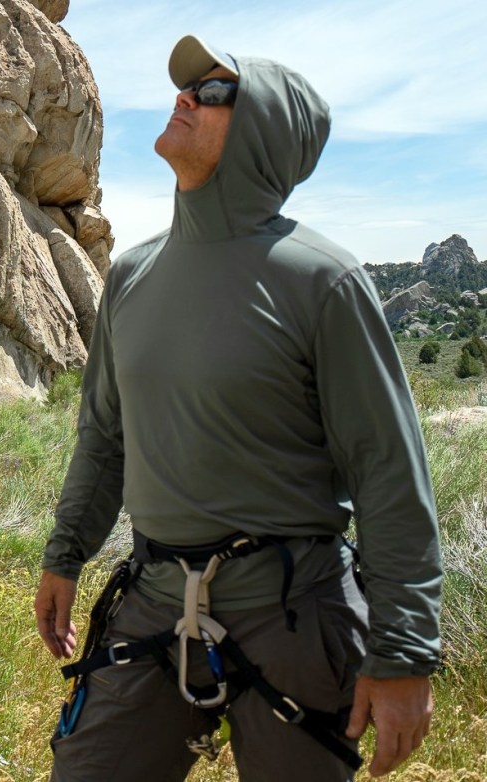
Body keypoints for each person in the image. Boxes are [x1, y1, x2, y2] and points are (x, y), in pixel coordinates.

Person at [35, 34, 442, 782]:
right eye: (188, 87)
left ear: (264, 135)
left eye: (214, 92)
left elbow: (388, 473)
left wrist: (406, 654)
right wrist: (65, 555)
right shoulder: (130, 274)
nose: (184, 96)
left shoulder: (325, 282)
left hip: (293, 613)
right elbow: (104, 436)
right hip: (154, 602)